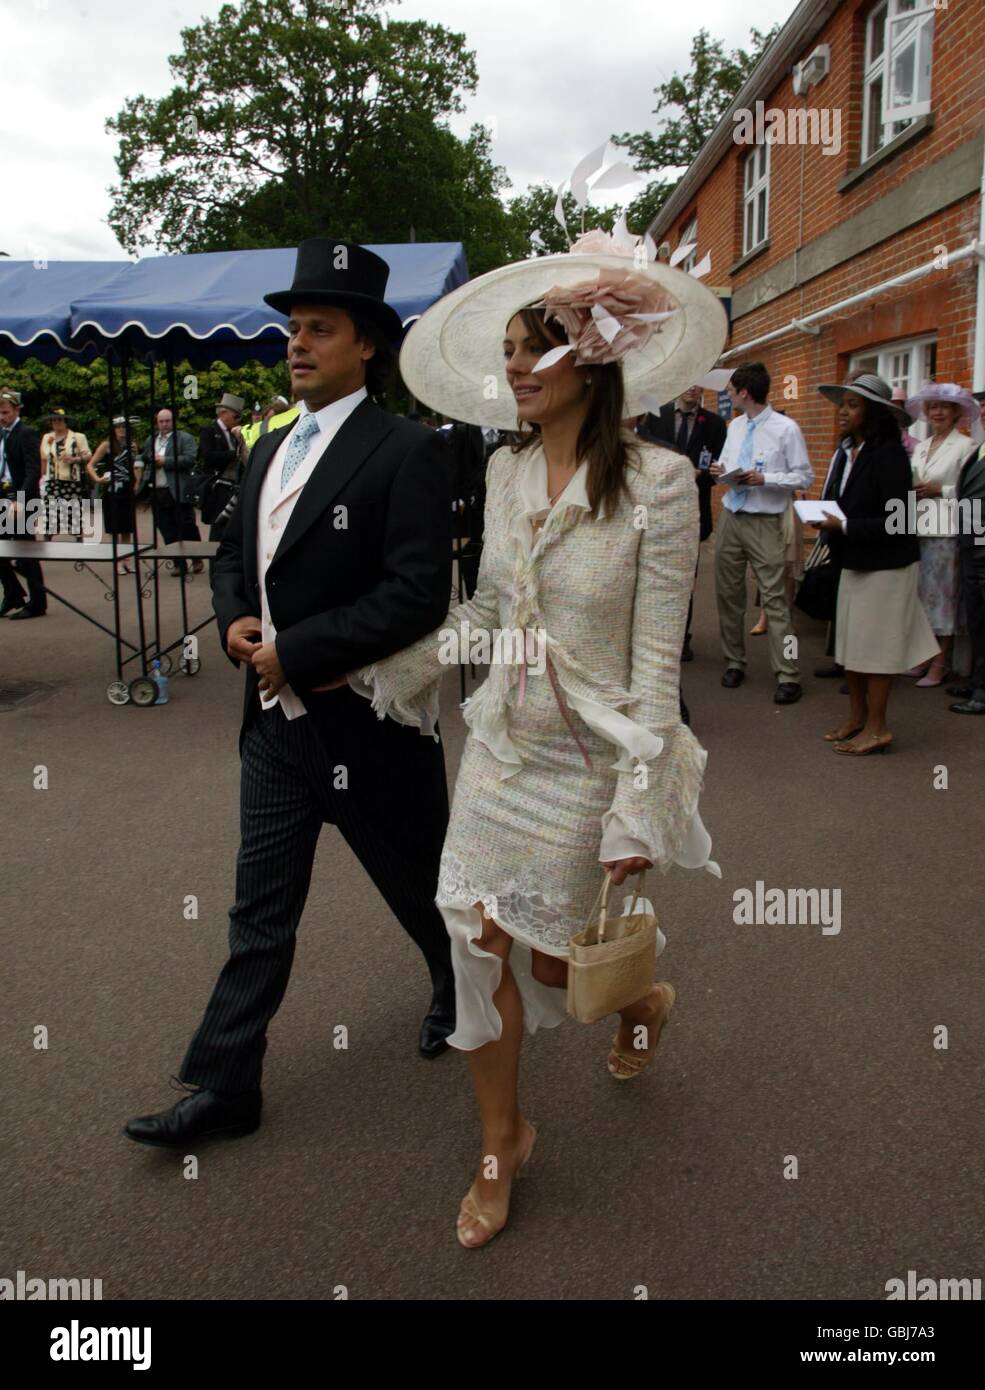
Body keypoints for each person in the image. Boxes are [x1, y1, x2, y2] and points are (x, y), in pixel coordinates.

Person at [352, 229, 726, 1246]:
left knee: (561, 968)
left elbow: (656, 666)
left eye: (532, 348)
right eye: (507, 350)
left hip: (593, 763)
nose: (510, 366)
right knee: (472, 942)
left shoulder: (658, 484)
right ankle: (502, 1138)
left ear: (590, 360)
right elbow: (484, 613)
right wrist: (392, 668)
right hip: (505, 750)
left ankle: (641, 995)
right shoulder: (509, 474)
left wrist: (636, 807)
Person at [124, 239, 457, 1150]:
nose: (297, 345)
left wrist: (298, 650)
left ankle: (458, 983)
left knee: (422, 885)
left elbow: (416, 593)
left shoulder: (408, 452)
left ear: (368, 347)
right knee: (258, 914)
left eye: (320, 329)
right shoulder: (269, 446)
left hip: (371, 726)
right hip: (274, 730)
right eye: (292, 329)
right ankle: (226, 1086)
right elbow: (238, 560)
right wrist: (236, 624)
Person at [812, 373, 938, 754]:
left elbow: (897, 521)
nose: (843, 412)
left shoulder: (890, 456)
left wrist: (844, 523)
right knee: (850, 646)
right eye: (843, 404)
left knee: (877, 651)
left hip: (887, 567)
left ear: (875, 412)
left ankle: (879, 727)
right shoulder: (854, 451)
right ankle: (857, 718)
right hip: (856, 560)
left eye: (853, 405)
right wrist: (828, 518)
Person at [710, 363, 812, 702]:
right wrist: (720, 471)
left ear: (744, 393)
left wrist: (766, 479)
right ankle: (734, 661)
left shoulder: (786, 428)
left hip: (765, 520)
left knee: (776, 600)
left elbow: (804, 477)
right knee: (728, 594)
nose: (728, 395)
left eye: (730, 390)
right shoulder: (736, 426)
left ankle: (789, 673)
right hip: (732, 514)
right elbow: (725, 464)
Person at [639, 384, 727, 660]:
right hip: (653, 508)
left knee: (685, 578)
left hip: (693, 511)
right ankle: (648, 634)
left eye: (699, 383)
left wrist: (707, 474)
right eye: (688, 383)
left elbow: (719, 467)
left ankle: (680, 637)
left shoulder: (714, 424)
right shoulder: (655, 413)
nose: (692, 389)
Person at [902, 383, 977, 686]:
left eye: (944, 407)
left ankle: (941, 661)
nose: (937, 412)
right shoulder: (920, 446)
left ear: (956, 412)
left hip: (946, 531)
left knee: (944, 598)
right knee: (920, 597)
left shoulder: (965, 447)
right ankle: (923, 655)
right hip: (917, 527)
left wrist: (939, 490)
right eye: (932, 407)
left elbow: (971, 492)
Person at [948, 389, 985, 715]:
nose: (984, 412)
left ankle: (983, 692)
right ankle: (977, 680)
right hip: (972, 544)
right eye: (983, 407)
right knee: (976, 617)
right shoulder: (979, 450)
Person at [0, 388, 46, 619]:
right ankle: (13, 594)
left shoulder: (26, 432)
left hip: (23, 501)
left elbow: (33, 470)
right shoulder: (1, 433)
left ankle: (38, 603)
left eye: (5, 412)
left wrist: (19, 499)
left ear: (17, 410)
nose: (1, 417)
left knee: (26, 553)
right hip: (3, 499)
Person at [139, 408, 202, 575]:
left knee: (187, 526)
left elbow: (190, 459)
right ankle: (178, 563)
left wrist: (165, 461)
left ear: (173, 421)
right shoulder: (150, 440)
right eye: (161, 421)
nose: (164, 424)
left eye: (167, 421)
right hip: (157, 490)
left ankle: (196, 558)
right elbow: (144, 457)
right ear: (157, 422)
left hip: (177, 489)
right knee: (166, 529)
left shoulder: (184, 438)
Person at [86, 417, 143, 572]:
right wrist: (98, 479)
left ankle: (126, 560)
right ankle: (117, 561)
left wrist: (137, 483)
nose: (121, 429)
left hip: (127, 489)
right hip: (112, 490)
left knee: (127, 528)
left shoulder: (132, 445)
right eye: (118, 427)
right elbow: (90, 464)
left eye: (124, 427)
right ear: (113, 428)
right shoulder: (107, 445)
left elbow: (137, 465)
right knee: (115, 528)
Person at [40, 409, 90, 539]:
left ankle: (78, 548)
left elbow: (88, 455)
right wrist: (42, 478)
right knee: (50, 514)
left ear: (66, 421)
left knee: (73, 514)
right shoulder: (47, 437)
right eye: (54, 420)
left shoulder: (78, 437)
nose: (57, 422)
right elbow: (43, 458)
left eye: (60, 419)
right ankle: (48, 547)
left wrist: (75, 459)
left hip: (71, 481)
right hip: (52, 481)